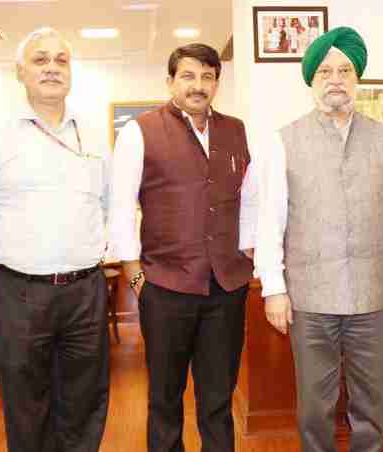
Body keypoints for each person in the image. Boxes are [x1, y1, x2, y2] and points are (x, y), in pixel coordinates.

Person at [254, 26, 383, 452]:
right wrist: (274, 288)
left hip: (372, 294)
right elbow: (270, 220)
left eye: (344, 70)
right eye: (325, 70)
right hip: (310, 299)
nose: (335, 78)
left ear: (357, 78)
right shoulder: (285, 140)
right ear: (311, 80)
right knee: (315, 405)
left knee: (370, 403)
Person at [0, 27, 111, 452]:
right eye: (40, 60)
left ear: (71, 72)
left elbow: (104, 206)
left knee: (85, 399)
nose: (51, 68)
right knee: (26, 401)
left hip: (86, 290)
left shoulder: (93, 135)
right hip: (20, 292)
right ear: (20, 72)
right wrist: (25, 255)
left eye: (61, 60)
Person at [110, 43, 256, 452]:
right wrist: (136, 277)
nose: (198, 85)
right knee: (164, 400)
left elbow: (249, 199)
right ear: (171, 81)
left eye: (207, 77)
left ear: (216, 83)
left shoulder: (235, 130)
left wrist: (249, 252)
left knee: (217, 400)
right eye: (188, 76)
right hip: (165, 288)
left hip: (226, 289)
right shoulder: (140, 131)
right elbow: (120, 208)